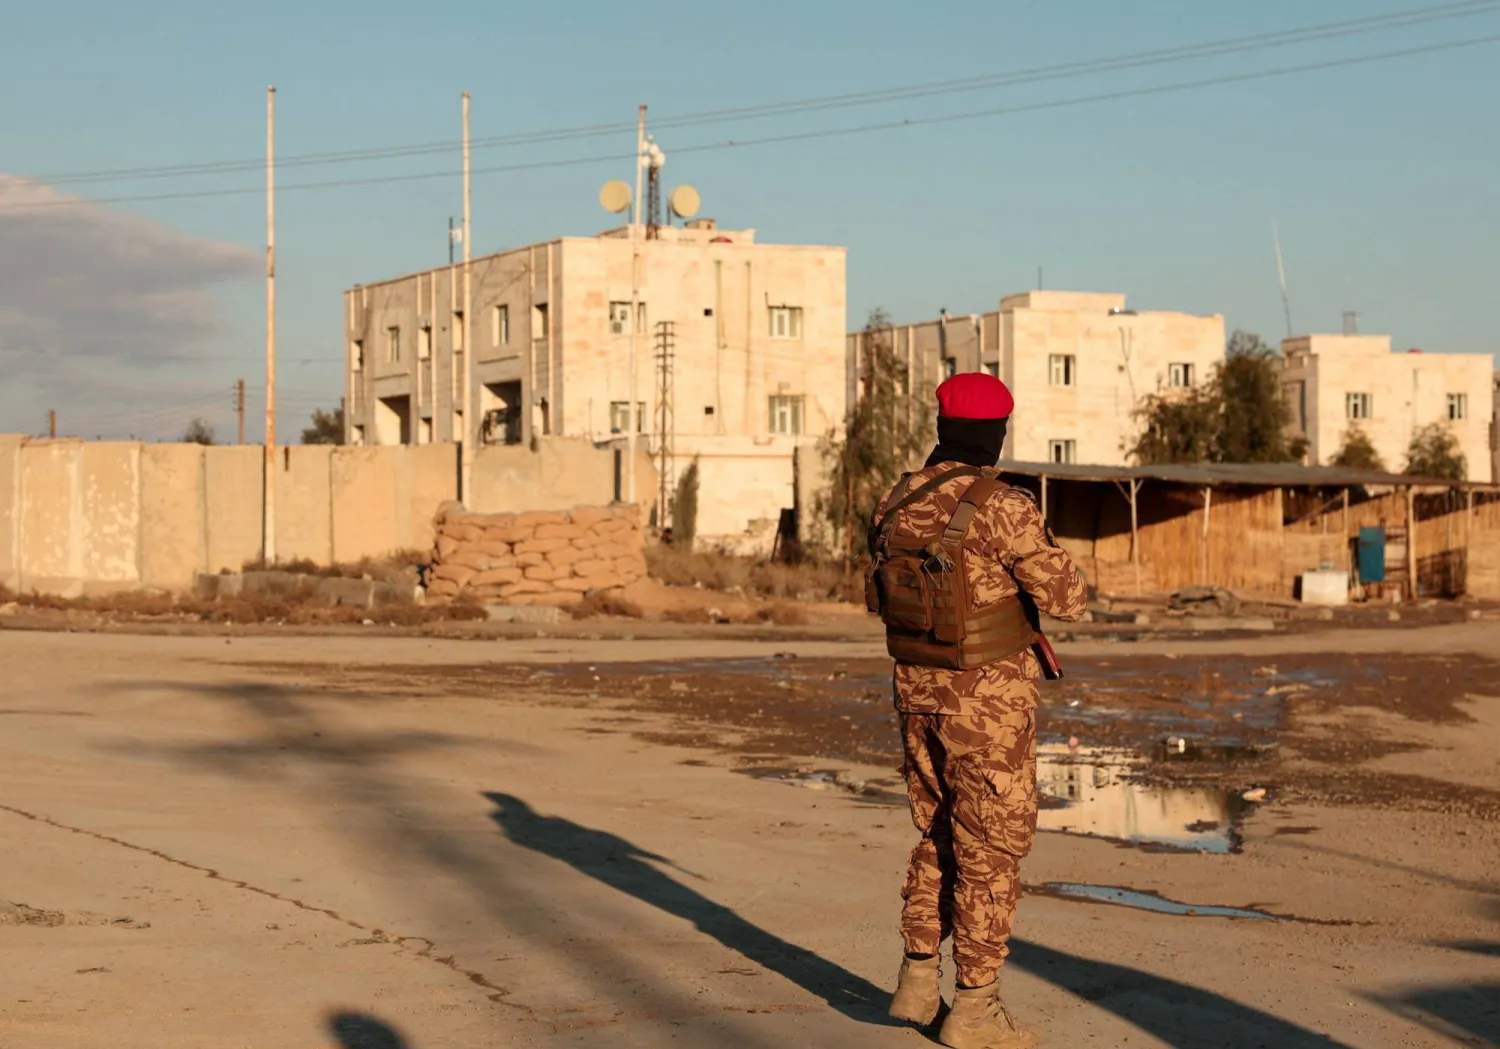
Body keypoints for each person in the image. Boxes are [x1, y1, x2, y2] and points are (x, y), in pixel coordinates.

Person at [870, 372, 1087, 1049]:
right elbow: (1068, 598)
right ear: (996, 433)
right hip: (986, 706)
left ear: (943, 428)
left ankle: (916, 980)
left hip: (916, 691)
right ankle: (974, 1009)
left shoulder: (897, 497)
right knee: (989, 848)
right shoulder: (1002, 506)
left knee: (936, 830)